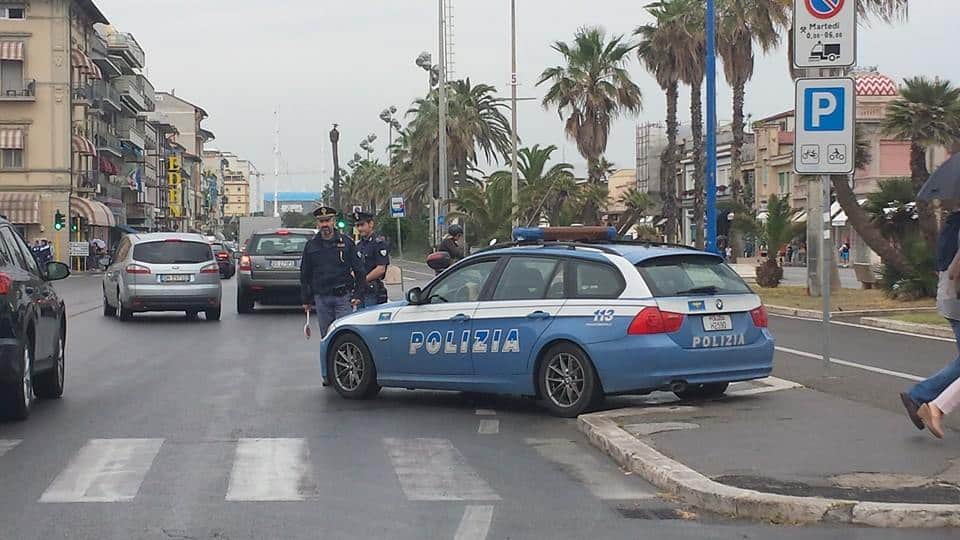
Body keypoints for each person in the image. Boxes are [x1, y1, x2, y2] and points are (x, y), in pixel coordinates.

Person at [900, 210, 960, 431]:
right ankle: (922, 398)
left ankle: (925, 400)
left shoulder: (953, 223)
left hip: (950, 298)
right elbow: (954, 270)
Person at [299, 206, 366, 338]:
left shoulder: (346, 243)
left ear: (333, 221)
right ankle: (330, 359)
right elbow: (305, 273)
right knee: (327, 336)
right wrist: (306, 299)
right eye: (321, 221)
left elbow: (359, 271)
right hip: (321, 298)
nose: (325, 225)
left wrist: (358, 294)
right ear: (317, 223)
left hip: (343, 298)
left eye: (328, 221)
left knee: (344, 335)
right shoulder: (311, 245)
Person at [353, 210, 390, 307]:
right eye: (357, 226)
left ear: (371, 224)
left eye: (362, 225)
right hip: (360, 292)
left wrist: (363, 280)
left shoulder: (379, 244)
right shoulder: (359, 245)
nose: (360, 228)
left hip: (372, 290)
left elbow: (381, 269)